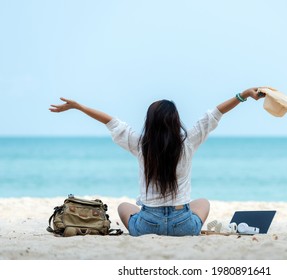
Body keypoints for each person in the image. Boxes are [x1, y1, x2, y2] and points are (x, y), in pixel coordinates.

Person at [49, 87, 266, 236]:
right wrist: (244, 94)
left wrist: (78, 107)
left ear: (149, 122)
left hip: (146, 225)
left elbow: (111, 122)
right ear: (175, 121)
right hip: (184, 226)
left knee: (124, 206)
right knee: (203, 203)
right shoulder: (188, 142)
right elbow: (215, 114)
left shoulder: (140, 144)